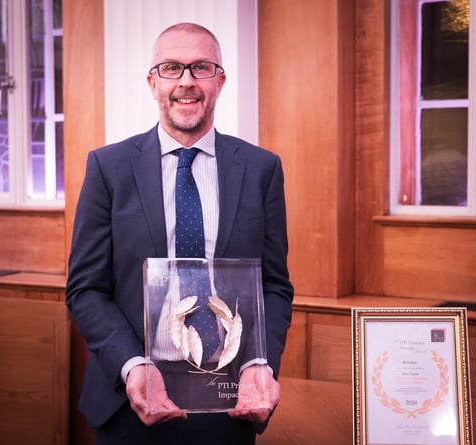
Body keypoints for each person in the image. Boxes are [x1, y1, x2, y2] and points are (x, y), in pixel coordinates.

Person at [66, 22, 294, 445]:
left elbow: (274, 287)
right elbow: (85, 291)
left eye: (201, 68)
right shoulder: (108, 169)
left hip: (228, 400)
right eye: (172, 68)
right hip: (130, 396)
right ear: (153, 82)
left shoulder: (262, 170)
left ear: (220, 81)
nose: (186, 82)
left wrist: (260, 361)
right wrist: (132, 364)